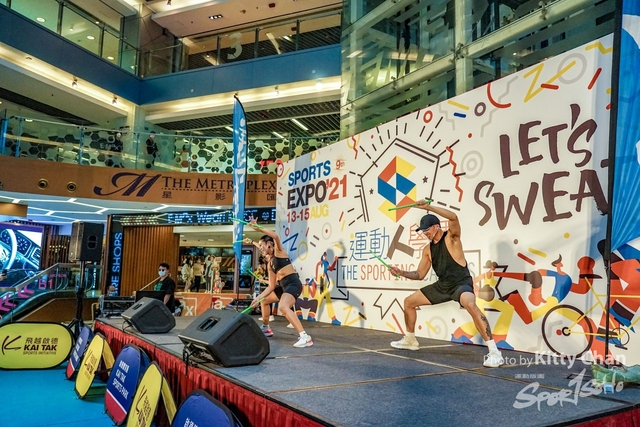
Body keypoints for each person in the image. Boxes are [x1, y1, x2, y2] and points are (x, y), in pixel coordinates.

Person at [387, 201, 504, 368]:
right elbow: (420, 274)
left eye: (427, 229)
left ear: (436, 226)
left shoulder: (451, 238)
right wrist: (401, 272)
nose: (425, 233)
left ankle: (494, 352)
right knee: (409, 302)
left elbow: (453, 217)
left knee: (470, 304)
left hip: (460, 283)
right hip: (443, 285)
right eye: (422, 231)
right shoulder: (428, 250)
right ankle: (410, 340)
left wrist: (428, 207)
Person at [247, 220, 313, 348]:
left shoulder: (279, 252)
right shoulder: (269, 264)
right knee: (264, 301)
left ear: (269, 244)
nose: (260, 248)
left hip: (293, 284)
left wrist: (258, 228)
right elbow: (271, 286)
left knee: (283, 307)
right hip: (283, 286)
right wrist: (257, 298)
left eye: (261, 245)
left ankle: (305, 337)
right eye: (259, 246)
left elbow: (275, 236)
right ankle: (266, 327)